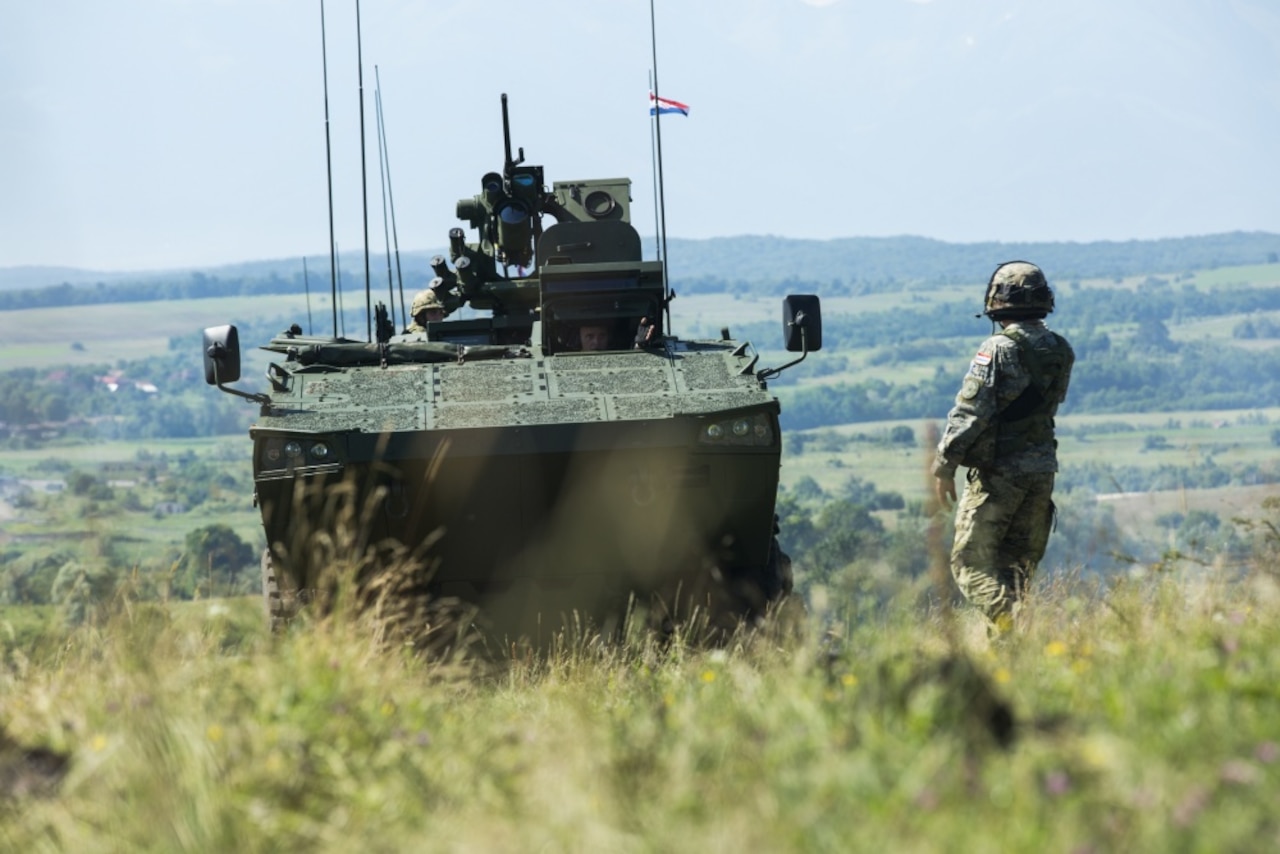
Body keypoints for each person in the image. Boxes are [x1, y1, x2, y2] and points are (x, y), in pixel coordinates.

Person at [932, 261, 1075, 633]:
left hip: (1000, 474)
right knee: (1016, 571)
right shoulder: (1060, 349)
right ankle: (1012, 654)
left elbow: (970, 412)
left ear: (997, 300)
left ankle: (1017, 625)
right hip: (1042, 471)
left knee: (971, 565)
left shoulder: (996, 349)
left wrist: (944, 466)